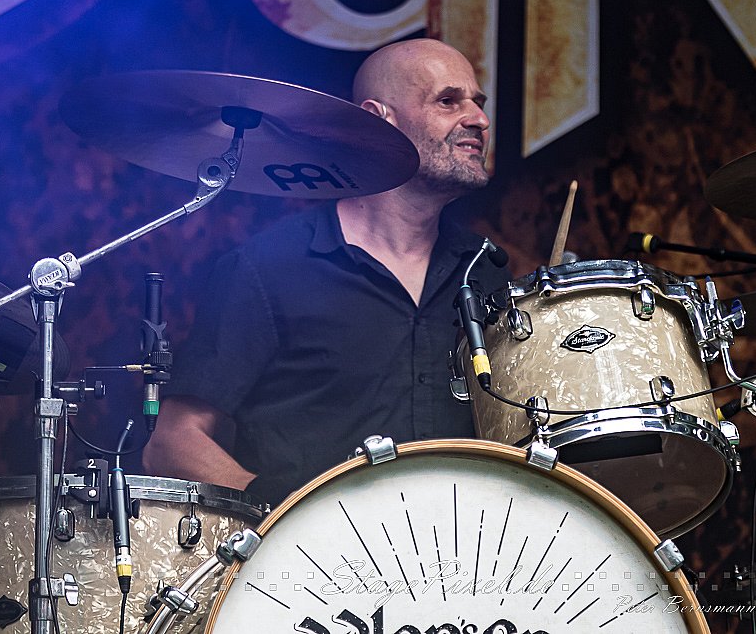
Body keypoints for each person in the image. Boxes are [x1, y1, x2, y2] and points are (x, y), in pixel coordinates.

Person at [143, 39, 510, 507]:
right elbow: (172, 442)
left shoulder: (484, 270)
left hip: (461, 545)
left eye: (478, 103)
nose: (479, 119)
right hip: (314, 550)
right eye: (448, 101)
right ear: (379, 120)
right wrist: (288, 516)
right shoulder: (269, 268)